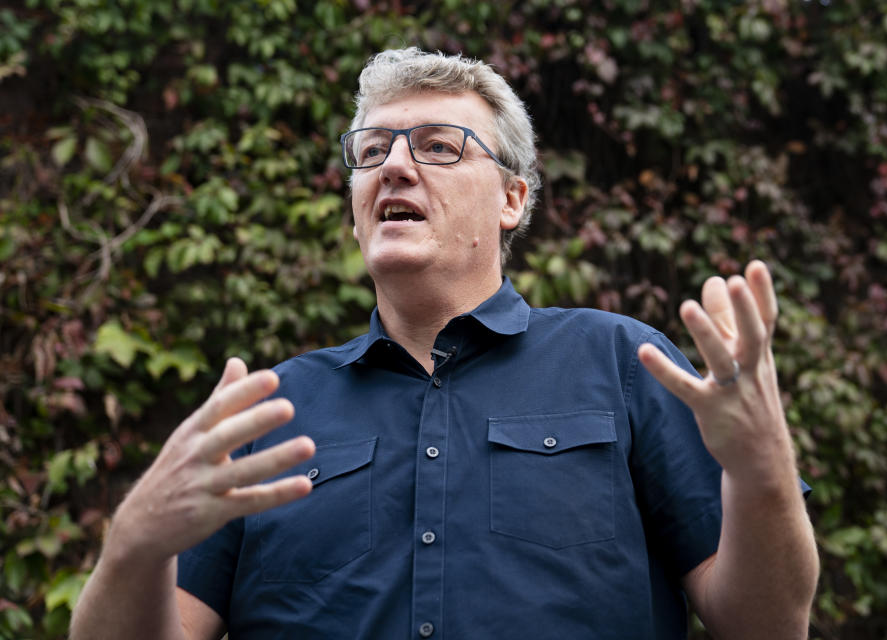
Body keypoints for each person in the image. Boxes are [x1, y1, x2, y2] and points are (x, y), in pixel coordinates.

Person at [71, 48, 818, 640]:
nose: (393, 165)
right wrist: (133, 546)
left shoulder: (623, 364)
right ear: (357, 209)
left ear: (513, 199)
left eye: (438, 146)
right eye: (370, 153)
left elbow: (768, 627)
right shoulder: (269, 412)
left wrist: (762, 469)